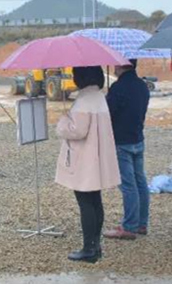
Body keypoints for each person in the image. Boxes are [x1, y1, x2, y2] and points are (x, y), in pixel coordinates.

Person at [55, 66, 120, 263]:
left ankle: (88, 248)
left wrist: (63, 122)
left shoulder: (83, 101)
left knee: (85, 203)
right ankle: (95, 245)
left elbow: (78, 131)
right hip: (96, 158)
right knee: (95, 201)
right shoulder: (99, 97)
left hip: (84, 159)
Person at [103, 59, 150, 240]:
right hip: (137, 138)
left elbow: (108, 113)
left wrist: (108, 98)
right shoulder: (142, 86)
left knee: (128, 185)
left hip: (121, 141)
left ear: (120, 64)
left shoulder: (118, 87)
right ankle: (141, 223)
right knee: (140, 182)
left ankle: (129, 226)